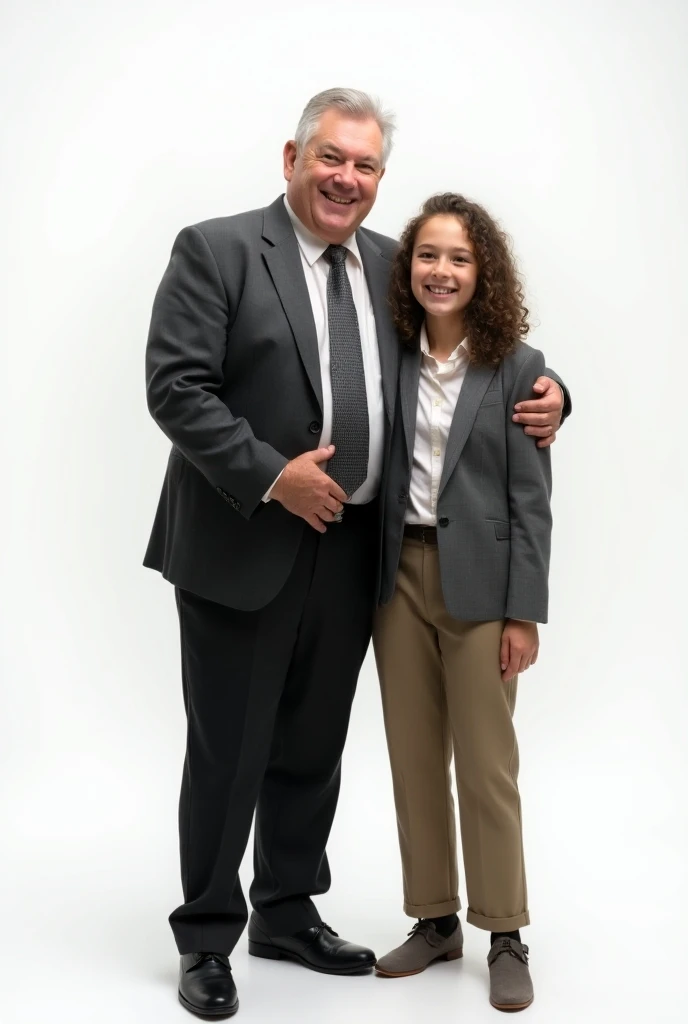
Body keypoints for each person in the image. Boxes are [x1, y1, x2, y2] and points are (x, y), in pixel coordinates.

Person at [144, 90, 568, 1018]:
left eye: (366, 166)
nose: (346, 179)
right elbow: (176, 389)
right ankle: (206, 937)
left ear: (381, 180)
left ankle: (287, 911)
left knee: (312, 745)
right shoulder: (214, 250)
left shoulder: (390, 268)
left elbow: (474, 355)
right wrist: (270, 476)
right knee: (229, 749)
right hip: (241, 545)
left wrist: (555, 392)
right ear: (292, 155)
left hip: (353, 557)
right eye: (331, 158)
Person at [373, 193, 564, 1012]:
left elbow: (532, 499)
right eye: (427, 255)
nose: (440, 270)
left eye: (458, 257)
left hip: (482, 590)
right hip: (396, 581)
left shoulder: (519, 367)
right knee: (415, 762)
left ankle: (506, 931)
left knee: (487, 767)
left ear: (482, 272)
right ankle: (435, 919)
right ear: (407, 268)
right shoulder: (388, 352)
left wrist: (524, 611)